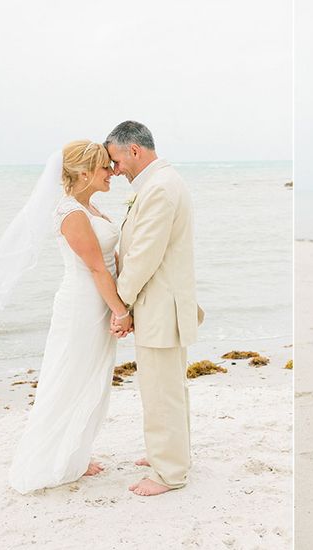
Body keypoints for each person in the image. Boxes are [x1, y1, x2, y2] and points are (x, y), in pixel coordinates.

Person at [0, 140, 129, 493]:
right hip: (83, 307)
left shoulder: (91, 208)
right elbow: (95, 270)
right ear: (85, 173)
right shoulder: (71, 214)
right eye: (105, 168)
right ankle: (51, 460)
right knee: (70, 377)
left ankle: (75, 453)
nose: (112, 173)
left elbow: (111, 263)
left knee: (91, 378)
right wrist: (122, 312)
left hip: (98, 301)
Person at [105, 121, 203, 497]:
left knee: (161, 390)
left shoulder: (160, 188)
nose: (115, 170)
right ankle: (172, 454)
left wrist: (121, 305)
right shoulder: (159, 183)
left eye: (116, 160)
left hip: (160, 306)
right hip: (165, 303)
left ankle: (169, 473)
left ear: (135, 151)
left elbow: (144, 255)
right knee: (169, 387)